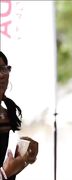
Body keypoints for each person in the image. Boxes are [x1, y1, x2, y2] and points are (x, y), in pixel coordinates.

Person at [0, 51, 38, 180]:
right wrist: (4, 173)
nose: (1, 75)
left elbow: (7, 167)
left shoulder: (6, 113)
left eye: (4, 69)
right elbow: (5, 171)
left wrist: (24, 155)